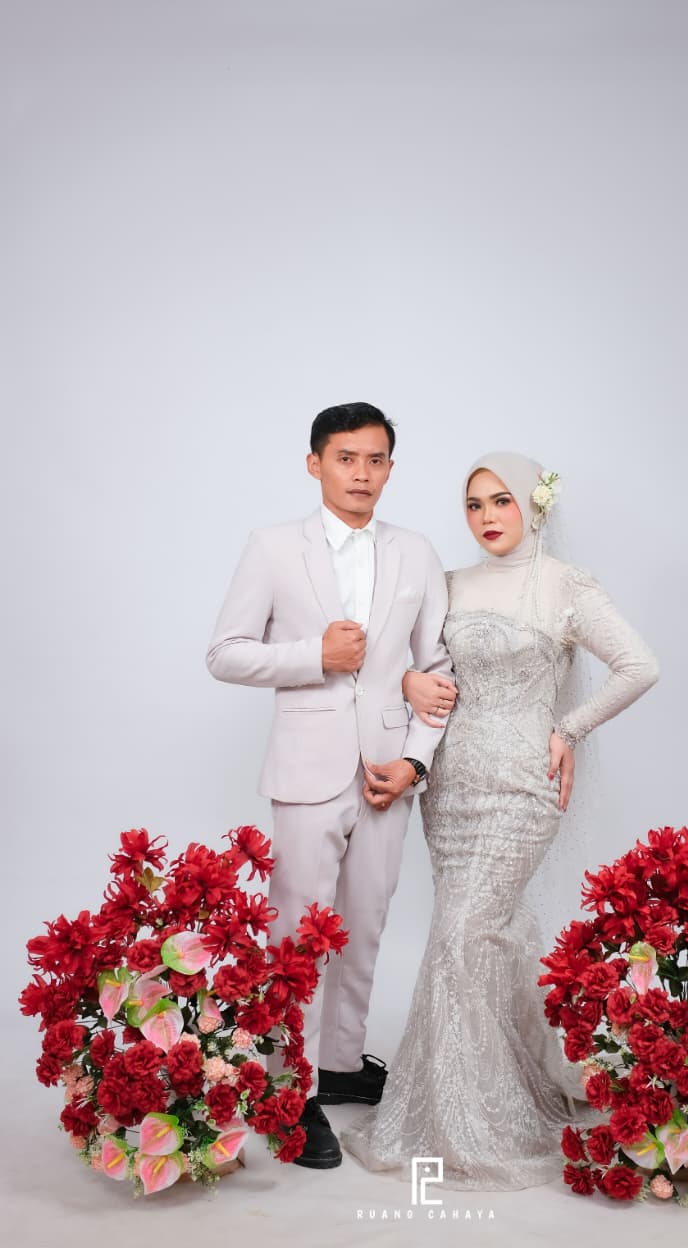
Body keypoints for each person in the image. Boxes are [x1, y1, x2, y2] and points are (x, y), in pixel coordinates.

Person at [342, 451, 659, 1190]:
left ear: (532, 505)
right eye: (473, 504)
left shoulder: (564, 586)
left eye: (501, 501)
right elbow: (397, 658)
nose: (486, 516)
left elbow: (639, 665)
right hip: (449, 789)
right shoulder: (451, 585)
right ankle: (494, 1088)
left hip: (521, 786)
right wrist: (408, 678)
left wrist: (569, 728)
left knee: (462, 933)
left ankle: (470, 1120)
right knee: (475, 936)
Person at [205, 402, 454, 1169]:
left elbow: (436, 669)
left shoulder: (415, 551)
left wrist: (414, 762)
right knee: (299, 930)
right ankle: (290, 1087)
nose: (361, 473)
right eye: (346, 458)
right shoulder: (273, 546)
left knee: (364, 923)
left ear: (390, 468)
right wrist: (313, 655)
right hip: (306, 767)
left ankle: (340, 1064)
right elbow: (225, 652)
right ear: (315, 463)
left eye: (376, 460)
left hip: (385, 770)